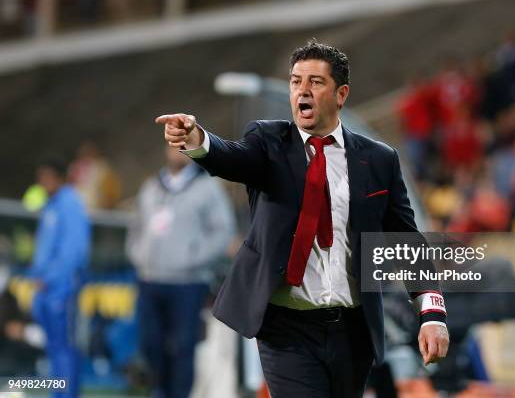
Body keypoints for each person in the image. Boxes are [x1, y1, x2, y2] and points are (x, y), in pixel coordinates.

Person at [155, 40, 449, 397]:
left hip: (352, 330)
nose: (302, 91)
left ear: (341, 94)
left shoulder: (379, 159)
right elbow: (229, 157)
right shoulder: (267, 141)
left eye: (315, 82)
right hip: (286, 329)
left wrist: (431, 313)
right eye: (296, 81)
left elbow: (406, 240)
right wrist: (196, 139)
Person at [126, 146, 236, 398]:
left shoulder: (207, 188)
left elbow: (223, 232)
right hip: (150, 279)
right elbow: (135, 228)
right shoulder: (151, 187)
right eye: (173, 146)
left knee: (182, 348)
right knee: (150, 345)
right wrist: (139, 256)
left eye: (184, 147)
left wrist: (193, 258)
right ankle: (159, 392)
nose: (177, 152)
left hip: (188, 283)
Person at [29, 157, 91, 398]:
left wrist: (51, 277)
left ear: (58, 177)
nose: (43, 182)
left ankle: (67, 395)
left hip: (62, 288)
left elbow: (74, 251)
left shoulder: (70, 204)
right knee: (54, 347)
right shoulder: (51, 205)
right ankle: (58, 393)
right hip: (46, 288)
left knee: (66, 346)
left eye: (47, 177)